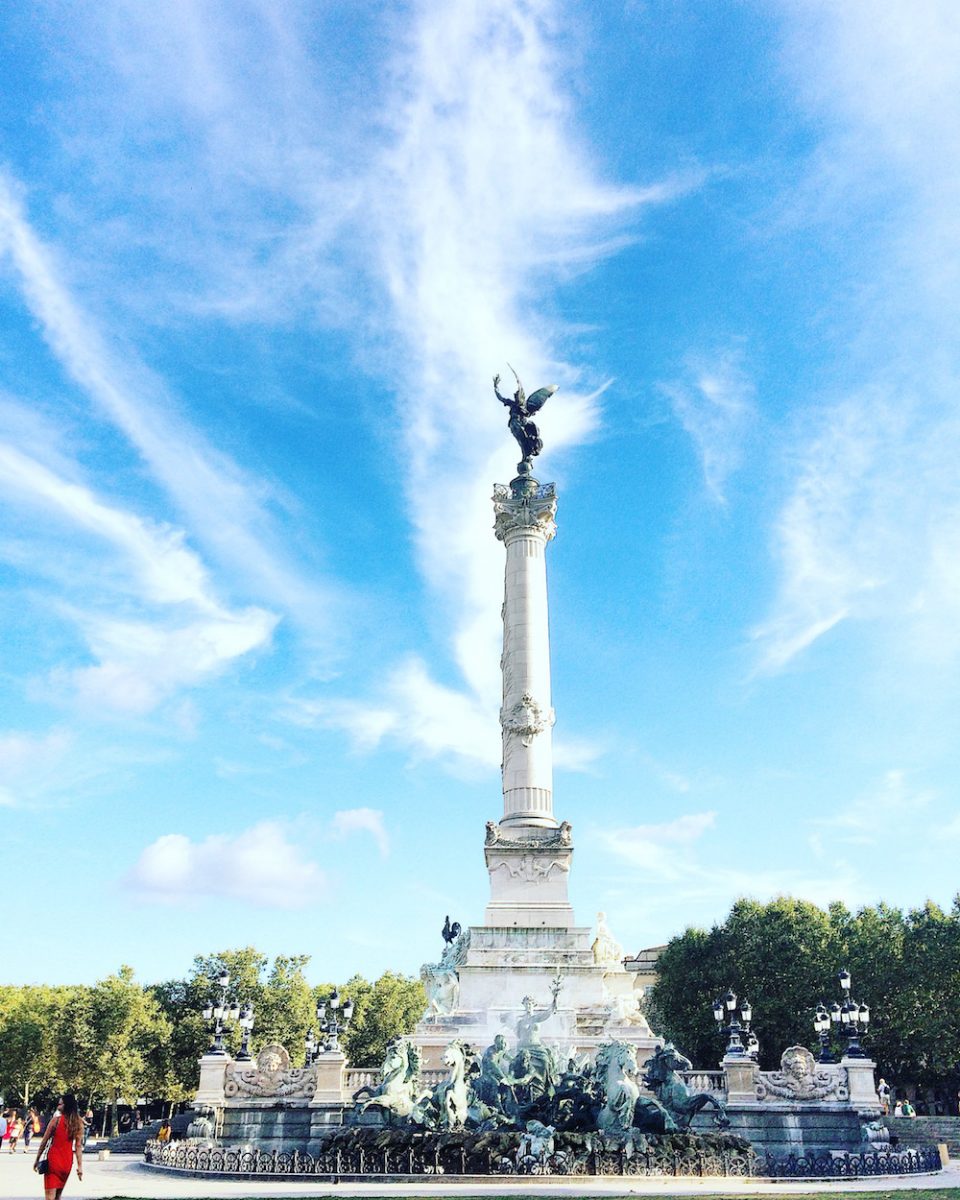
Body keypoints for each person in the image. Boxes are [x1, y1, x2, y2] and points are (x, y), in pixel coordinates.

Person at [33, 1094, 83, 1199]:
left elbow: (44, 1142)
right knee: (58, 1196)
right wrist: (79, 1167)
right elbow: (78, 1146)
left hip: (53, 1161)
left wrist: (37, 1159)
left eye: (60, 1104)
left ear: (66, 1105)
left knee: (50, 1197)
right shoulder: (78, 1123)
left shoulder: (56, 1121)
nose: (57, 1106)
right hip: (67, 1162)